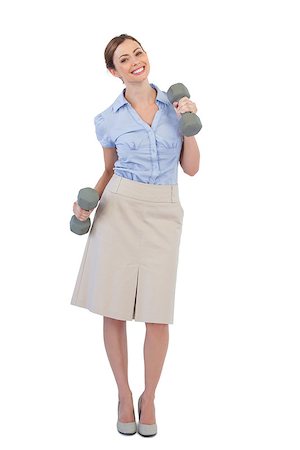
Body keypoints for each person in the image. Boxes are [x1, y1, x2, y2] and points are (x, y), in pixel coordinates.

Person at [70, 34, 200, 437]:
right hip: (119, 208)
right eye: (124, 59)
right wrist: (84, 207)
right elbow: (109, 172)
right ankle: (124, 395)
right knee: (115, 308)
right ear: (114, 71)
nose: (134, 62)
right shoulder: (108, 119)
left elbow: (191, 168)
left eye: (138, 53)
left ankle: (150, 397)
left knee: (157, 315)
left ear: (147, 57)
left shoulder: (175, 105)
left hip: (164, 209)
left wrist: (189, 123)